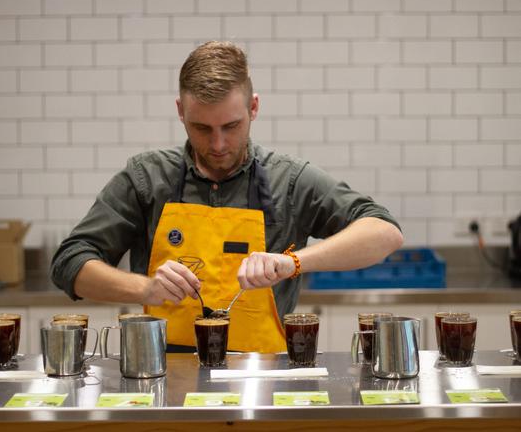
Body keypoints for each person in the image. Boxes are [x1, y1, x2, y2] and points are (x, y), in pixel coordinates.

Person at [50, 41, 403, 353]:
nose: (217, 145)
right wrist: (145, 288)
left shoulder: (290, 181)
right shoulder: (147, 179)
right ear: (180, 111)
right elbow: (70, 263)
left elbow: (384, 232)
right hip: (160, 377)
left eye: (231, 127)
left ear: (253, 108)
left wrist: (292, 263)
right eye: (202, 128)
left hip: (263, 379)